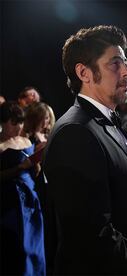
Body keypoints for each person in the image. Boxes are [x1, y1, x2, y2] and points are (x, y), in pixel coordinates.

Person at [42, 25, 127, 275]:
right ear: (84, 72)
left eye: (126, 63)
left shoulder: (108, 122)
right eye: (115, 64)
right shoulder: (74, 132)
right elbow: (89, 234)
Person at [0, 101, 46, 275]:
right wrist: (19, 168)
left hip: (30, 199)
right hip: (9, 203)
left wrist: (36, 164)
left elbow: (35, 172)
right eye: (14, 123)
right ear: (3, 123)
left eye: (20, 122)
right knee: (18, 248)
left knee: (35, 246)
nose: (19, 127)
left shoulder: (25, 140)